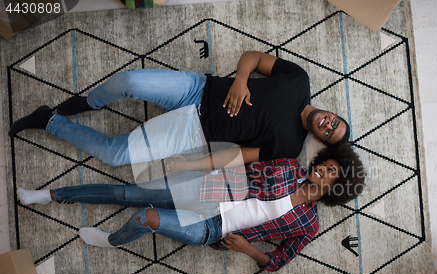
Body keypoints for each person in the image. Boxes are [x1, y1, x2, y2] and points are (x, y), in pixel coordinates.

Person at [17, 144, 365, 271]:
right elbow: (241, 167)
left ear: (336, 188)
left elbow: (278, 261)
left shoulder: (308, 224)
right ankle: (48, 195)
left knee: (144, 218)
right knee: (124, 193)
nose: (321, 169)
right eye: (325, 163)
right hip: (203, 191)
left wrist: (247, 250)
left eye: (331, 172)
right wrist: (192, 167)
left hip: (214, 228)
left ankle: (111, 240)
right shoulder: (289, 167)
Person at [9, 51, 351, 173]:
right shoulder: (299, 81)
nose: (327, 123)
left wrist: (193, 163)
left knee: (114, 155)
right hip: (198, 89)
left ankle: (47, 121)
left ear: (320, 139)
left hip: (192, 134)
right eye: (334, 121)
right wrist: (241, 80)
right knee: (129, 80)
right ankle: (91, 102)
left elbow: (236, 157)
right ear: (332, 112)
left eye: (328, 132)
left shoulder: (289, 147)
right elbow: (254, 56)